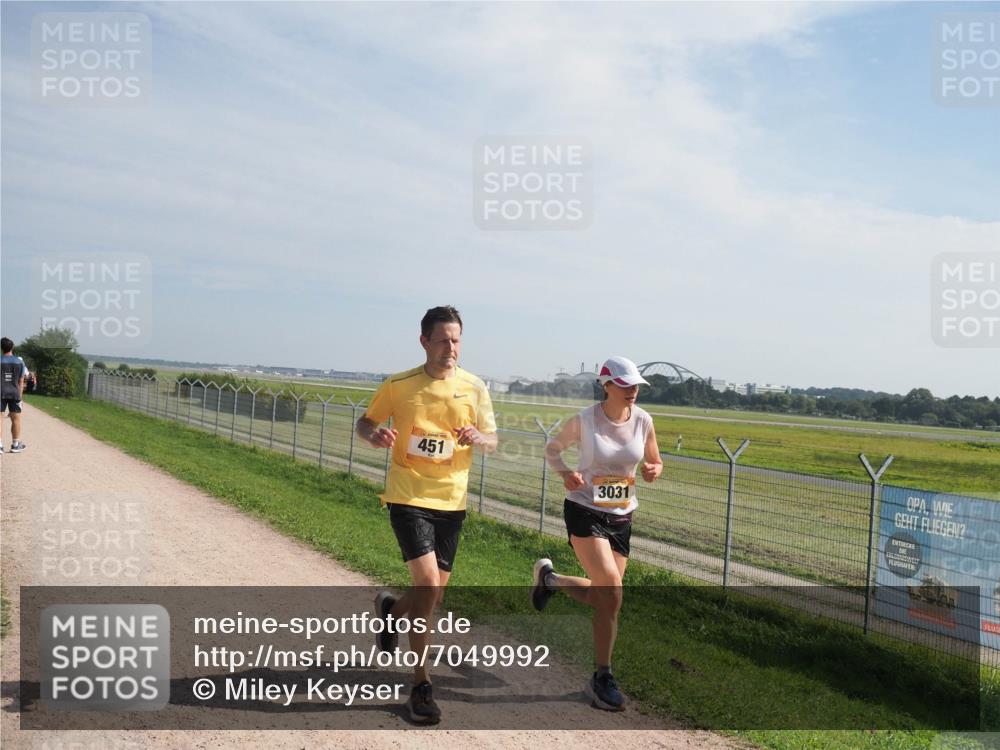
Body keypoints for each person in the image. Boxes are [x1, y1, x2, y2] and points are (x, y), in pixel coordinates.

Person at [355, 305, 497, 725]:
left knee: (431, 597)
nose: (450, 347)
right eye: (442, 340)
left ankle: (391, 611)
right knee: (430, 585)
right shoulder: (400, 385)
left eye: (456, 340)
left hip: (452, 501)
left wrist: (479, 436)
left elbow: (493, 438)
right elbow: (365, 422)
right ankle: (421, 684)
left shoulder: (474, 387)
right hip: (408, 494)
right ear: (424, 341)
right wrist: (374, 434)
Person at [531, 356, 663, 711]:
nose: (632, 390)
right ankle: (602, 677)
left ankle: (551, 581)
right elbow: (552, 449)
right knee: (612, 593)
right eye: (624, 385)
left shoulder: (645, 420)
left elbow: (654, 460)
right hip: (585, 510)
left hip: (622, 517)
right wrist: (565, 474)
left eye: (635, 385)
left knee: (607, 599)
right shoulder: (585, 419)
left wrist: (653, 470)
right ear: (606, 385)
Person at [1, 337, 28, 453]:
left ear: (2, 348)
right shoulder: (19, 362)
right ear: (12, 347)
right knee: (16, 419)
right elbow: (21, 381)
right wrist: (20, 397)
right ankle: (15, 444)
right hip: (15, 393)